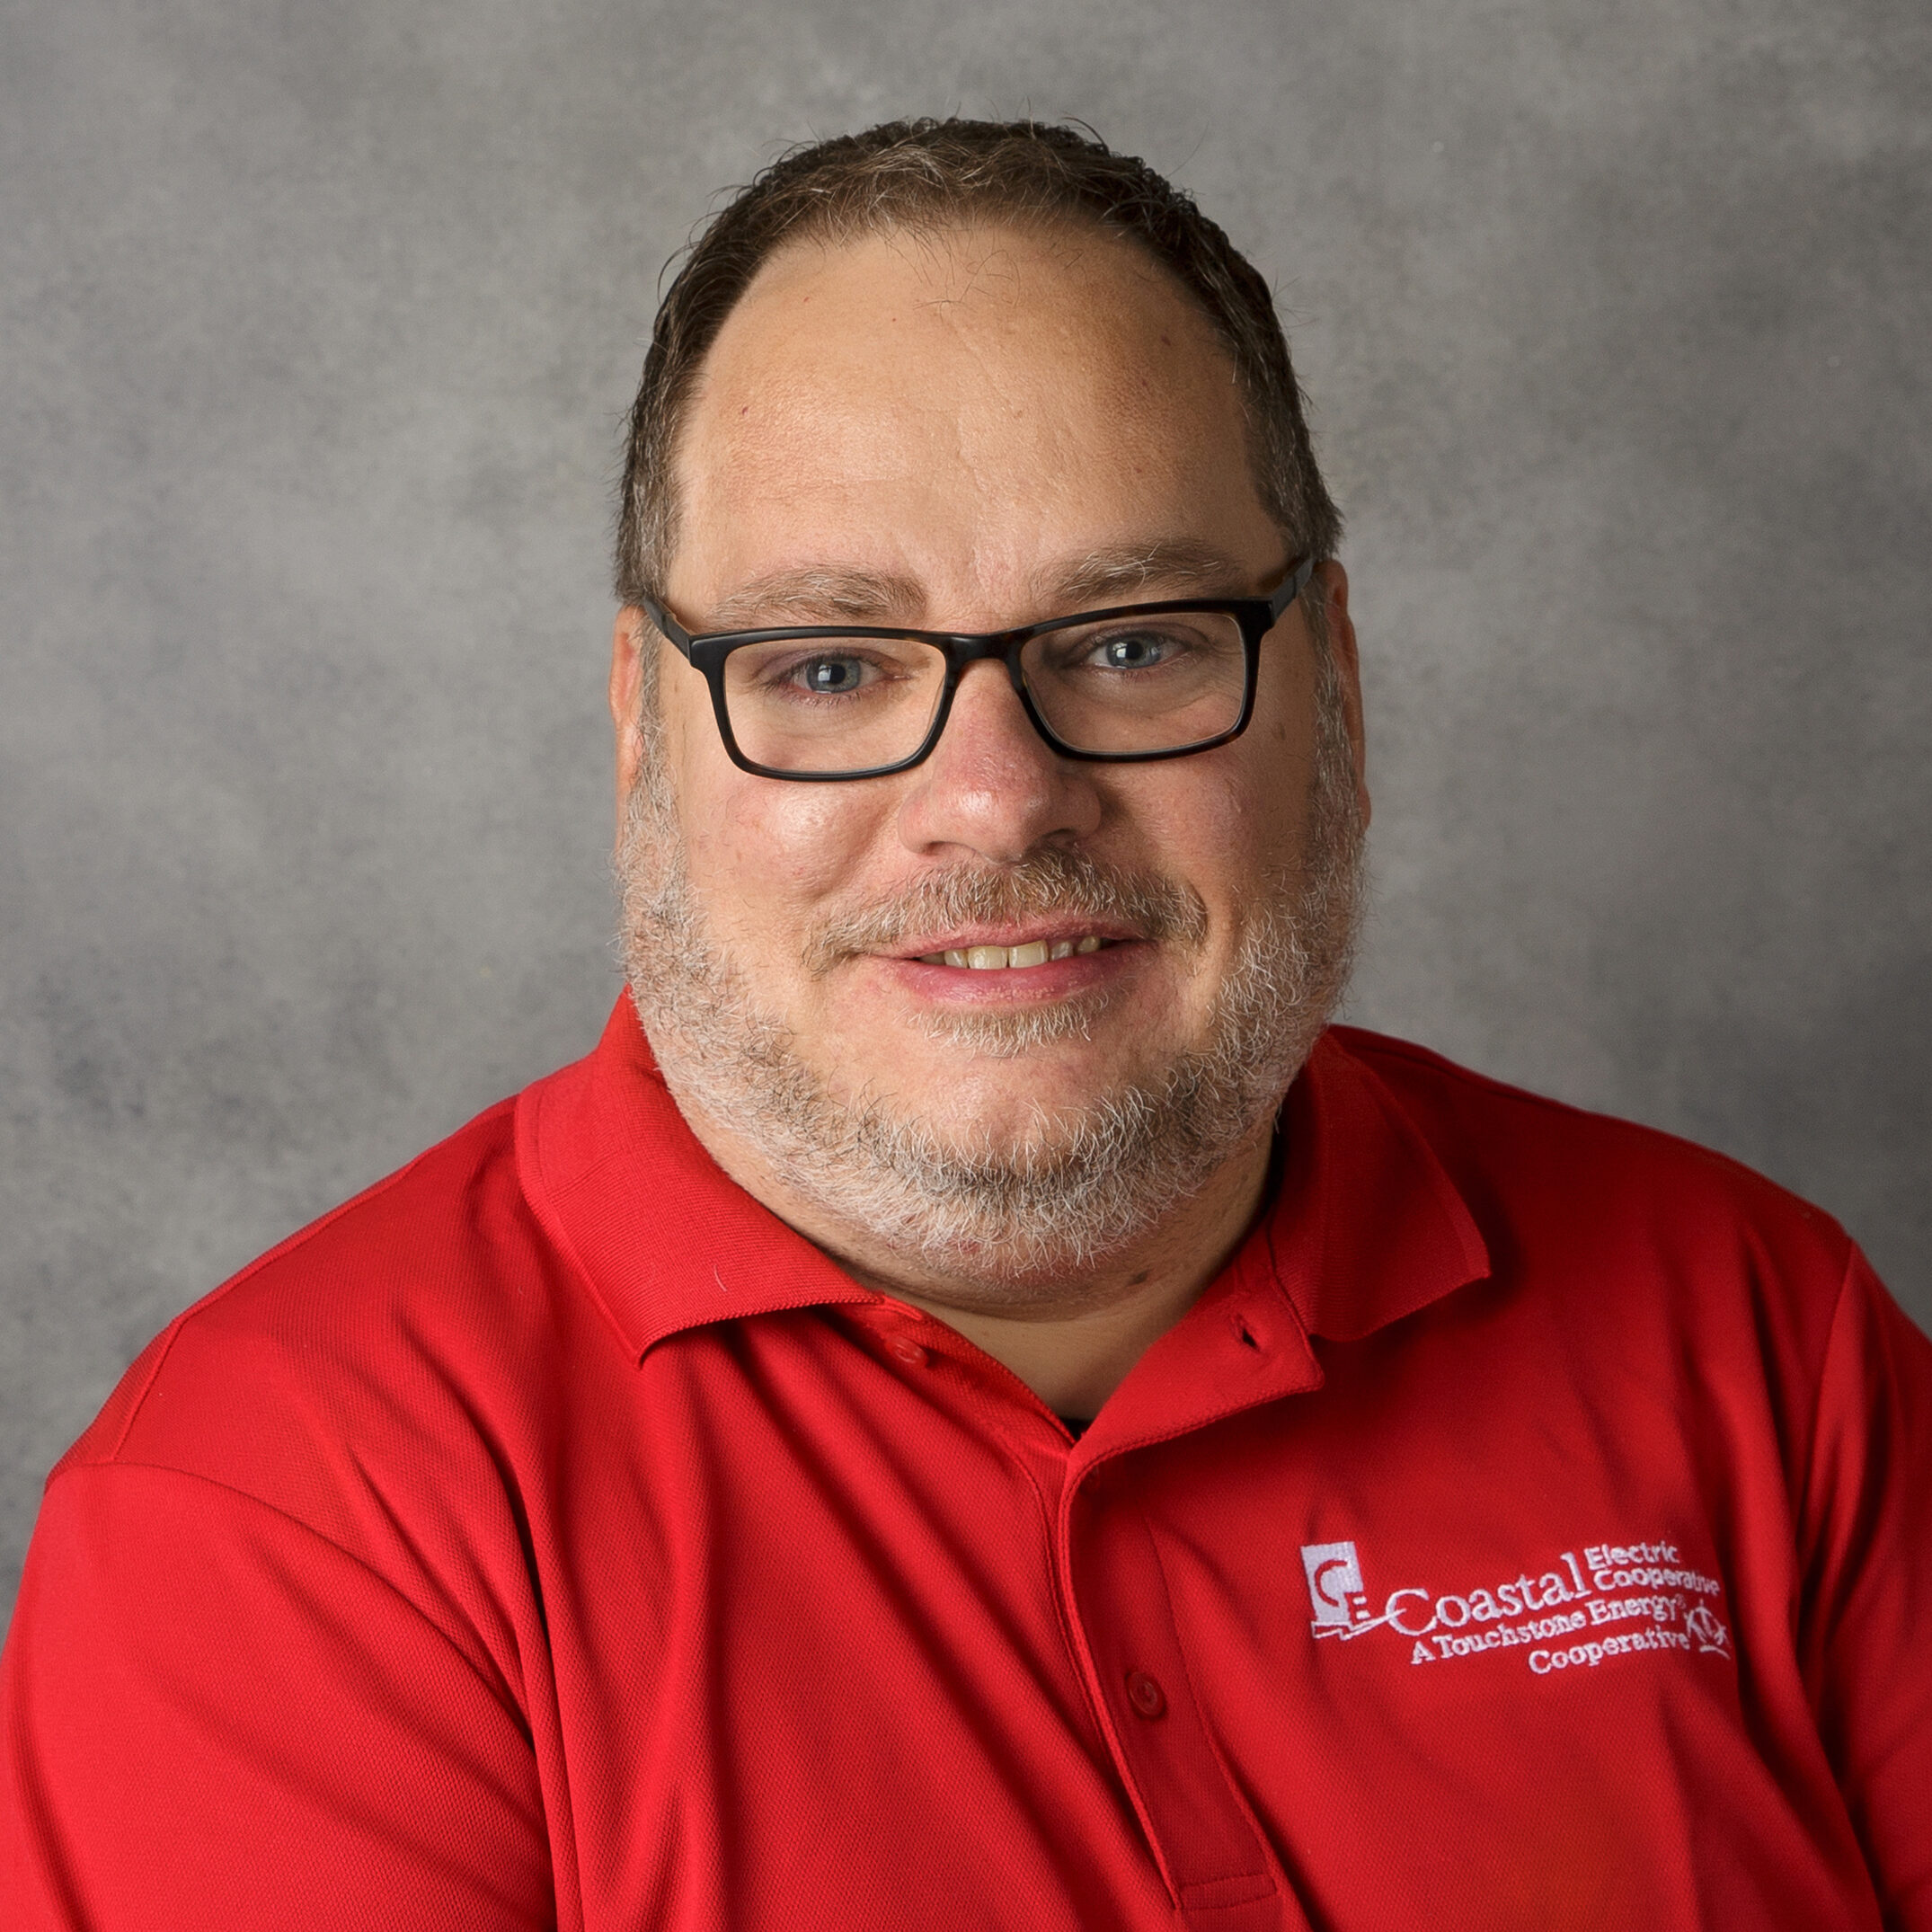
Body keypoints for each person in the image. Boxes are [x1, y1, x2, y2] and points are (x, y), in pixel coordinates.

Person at [3, 117, 1927, 1932]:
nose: (998, 796)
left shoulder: (1755, 1333)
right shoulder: (287, 1527)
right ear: (635, 725)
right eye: (828, 663)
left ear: (1328, 679)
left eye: (1134, 639)